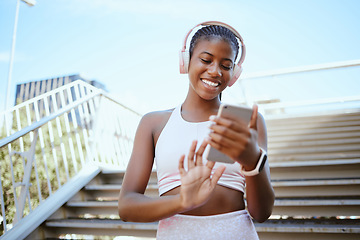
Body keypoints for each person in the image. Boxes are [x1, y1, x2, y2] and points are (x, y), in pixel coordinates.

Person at [118, 21, 275, 239]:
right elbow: (126, 206)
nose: (215, 71)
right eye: (206, 60)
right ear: (185, 62)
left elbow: (261, 213)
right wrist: (182, 200)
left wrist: (253, 160)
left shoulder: (244, 121)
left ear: (234, 74)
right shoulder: (154, 123)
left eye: (226, 65)